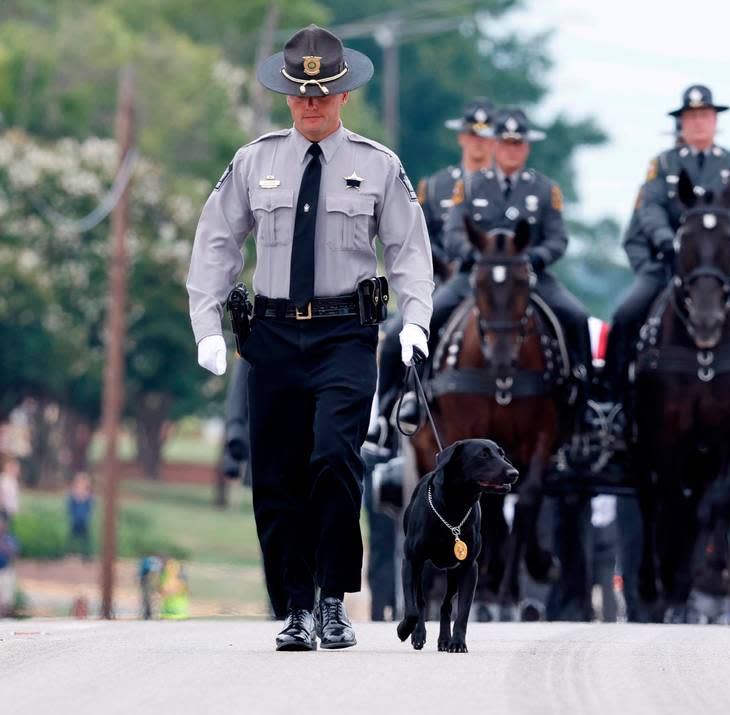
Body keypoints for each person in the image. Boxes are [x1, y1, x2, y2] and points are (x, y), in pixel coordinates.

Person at [186, 24, 434, 651]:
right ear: (288, 96)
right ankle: (294, 606)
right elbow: (216, 240)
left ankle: (331, 601)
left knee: (332, 460)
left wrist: (416, 318)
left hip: (343, 337)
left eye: (324, 94)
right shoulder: (254, 161)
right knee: (275, 478)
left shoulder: (378, 165)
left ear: (344, 94)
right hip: (268, 336)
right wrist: (206, 325)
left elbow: (408, 248)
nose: (312, 104)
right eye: (301, 94)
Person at [607, 84, 730, 433]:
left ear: (715, 121)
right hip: (675, 260)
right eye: (691, 117)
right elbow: (651, 208)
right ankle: (613, 402)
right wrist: (664, 239)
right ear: (682, 124)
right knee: (626, 315)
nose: (699, 123)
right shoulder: (663, 164)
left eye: (704, 116)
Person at [427, 107, 591, 400]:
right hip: (474, 276)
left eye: (518, 143)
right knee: (427, 318)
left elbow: (558, 239)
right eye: (505, 142)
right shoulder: (470, 186)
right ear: (494, 144)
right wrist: (475, 256)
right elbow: (453, 234)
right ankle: (416, 392)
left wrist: (533, 258)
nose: (511, 150)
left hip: (529, 276)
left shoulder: (544, 189)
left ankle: (582, 390)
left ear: (526, 147)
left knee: (576, 317)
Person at [372, 98, 497, 438]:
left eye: (485, 137)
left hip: (498, 284)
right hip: (451, 279)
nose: (478, 143)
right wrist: (440, 269)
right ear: (462, 138)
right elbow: (417, 238)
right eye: (473, 135)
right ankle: (391, 409)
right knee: (400, 334)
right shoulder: (437, 186)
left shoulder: (507, 187)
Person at [66, 472, 93, 561]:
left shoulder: (88, 496)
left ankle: (85, 554)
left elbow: (90, 507)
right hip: (75, 520)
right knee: (73, 537)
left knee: (85, 538)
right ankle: (71, 553)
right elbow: (70, 507)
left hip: (84, 520)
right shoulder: (73, 495)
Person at [0, 512, 19, 618]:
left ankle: (5, 612)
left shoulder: (9, 539)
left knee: (7, 578)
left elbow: (14, 553)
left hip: (5, 571)